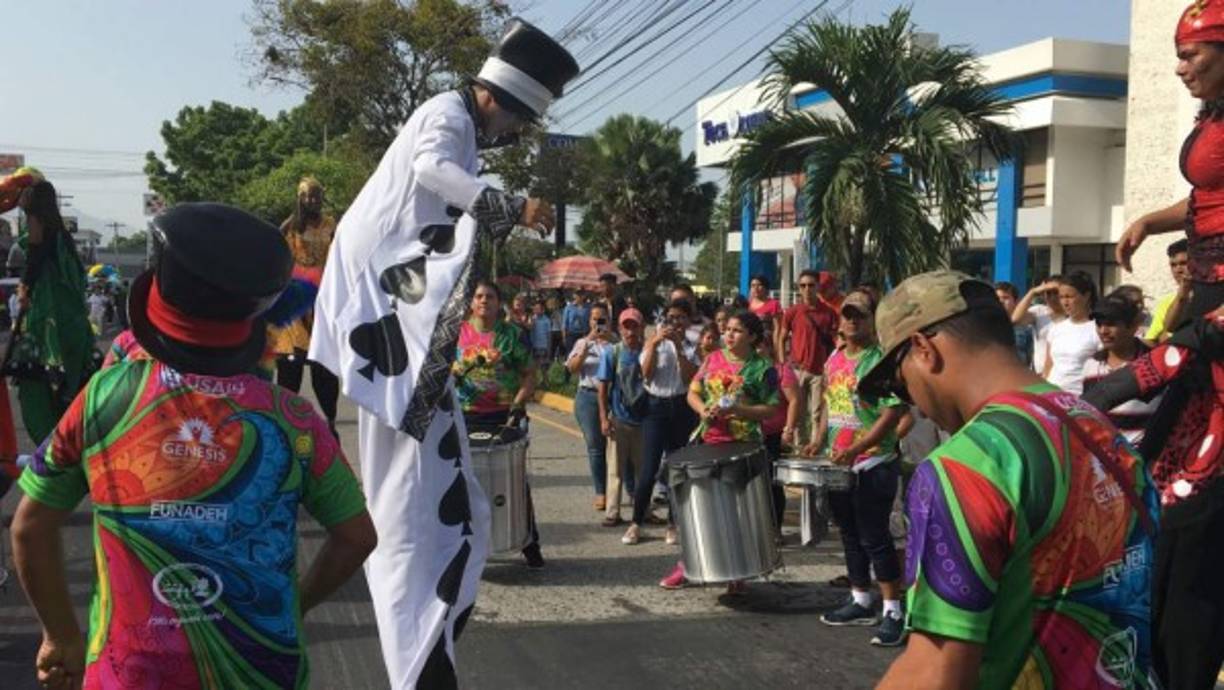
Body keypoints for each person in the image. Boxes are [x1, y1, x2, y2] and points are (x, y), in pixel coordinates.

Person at [307, 19, 577, 688]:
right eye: (516, 120)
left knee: (450, 499)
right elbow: (432, 170)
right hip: (384, 306)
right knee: (409, 498)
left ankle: (429, 633)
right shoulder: (448, 115)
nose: (513, 134)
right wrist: (513, 206)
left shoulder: (455, 118)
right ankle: (417, 644)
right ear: (498, 98)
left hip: (391, 311)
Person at [10, 203, 377, 689]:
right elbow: (357, 537)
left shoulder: (105, 396)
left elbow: (30, 527)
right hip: (263, 669)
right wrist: (292, 605)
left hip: (129, 673)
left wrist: (60, 637)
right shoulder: (294, 420)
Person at [864, 271, 1157, 690]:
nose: (912, 401)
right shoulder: (1099, 429)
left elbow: (937, 672)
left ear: (922, 349)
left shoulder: (967, 466)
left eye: (899, 383)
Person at [806, 290, 910, 648]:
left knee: (874, 536)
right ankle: (861, 598)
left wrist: (858, 448)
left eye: (860, 315)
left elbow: (891, 413)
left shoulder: (880, 360)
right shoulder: (834, 359)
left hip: (874, 462)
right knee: (849, 534)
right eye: (847, 314)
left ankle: (894, 609)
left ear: (872, 321)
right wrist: (819, 439)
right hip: (840, 463)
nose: (852, 320)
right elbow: (829, 405)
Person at [1118, 4, 1224, 324]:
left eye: (1190, 55)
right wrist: (1149, 222)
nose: (1180, 68)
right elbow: (1209, 198)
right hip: (1207, 281)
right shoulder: (1212, 117)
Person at [660, 310, 779, 593]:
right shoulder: (712, 360)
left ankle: (736, 570)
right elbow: (693, 392)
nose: (728, 335)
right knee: (695, 508)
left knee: (736, 513)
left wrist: (738, 410)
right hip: (708, 442)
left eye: (737, 331)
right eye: (727, 330)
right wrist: (703, 411)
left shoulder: (763, 368)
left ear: (751, 336)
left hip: (742, 447)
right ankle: (687, 565)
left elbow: (772, 408)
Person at [0, 170, 95, 445]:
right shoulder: (64, 238)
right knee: (70, 379)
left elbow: (35, 254)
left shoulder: (38, 228)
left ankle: (53, 446)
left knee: (35, 377)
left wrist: (25, 287)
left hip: (49, 320)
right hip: (72, 322)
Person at [455, 281, 544, 568]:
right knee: (462, 484)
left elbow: (530, 373)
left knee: (516, 482)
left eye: (490, 297)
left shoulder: (511, 335)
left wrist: (518, 404)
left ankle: (530, 543)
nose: (484, 301)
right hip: (465, 416)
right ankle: (462, 548)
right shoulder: (457, 334)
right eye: (479, 296)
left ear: (498, 303)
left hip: (503, 416)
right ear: (471, 303)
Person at [266, 176, 341, 436]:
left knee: (324, 366)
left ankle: (330, 421)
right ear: (300, 198)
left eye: (316, 195)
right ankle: (286, 424)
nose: (313, 200)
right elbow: (276, 251)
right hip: (296, 300)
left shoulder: (331, 224)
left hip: (323, 299)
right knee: (290, 365)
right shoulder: (290, 226)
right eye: (308, 196)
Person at [622, 299, 699, 546]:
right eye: (670, 318)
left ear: (688, 321)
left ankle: (673, 523)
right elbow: (646, 374)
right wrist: (654, 344)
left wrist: (678, 348)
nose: (675, 323)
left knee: (678, 468)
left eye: (680, 318)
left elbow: (689, 378)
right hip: (655, 407)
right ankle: (636, 522)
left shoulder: (693, 346)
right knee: (648, 469)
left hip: (681, 407)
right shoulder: (652, 342)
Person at [1082, 295, 1160, 446]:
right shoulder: (1091, 364)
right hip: (1104, 457)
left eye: (1111, 324)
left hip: (1144, 458)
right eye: (1099, 324)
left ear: (1132, 326)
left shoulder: (1154, 363)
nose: (1103, 331)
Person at [777, 269, 839, 452]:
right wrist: (782, 365)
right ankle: (798, 449)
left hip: (820, 370)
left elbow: (836, 341)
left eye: (811, 285)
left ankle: (815, 449)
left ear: (818, 287)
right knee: (798, 413)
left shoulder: (829, 313)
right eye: (803, 286)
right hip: (796, 369)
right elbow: (781, 337)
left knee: (817, 413)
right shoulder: (793, 311)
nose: (807, 289)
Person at [597, 308, 648, 527]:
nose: (630, 331)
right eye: (626, 326)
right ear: (619, 328)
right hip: (619, 418)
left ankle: (643, 511)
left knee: (643, 471)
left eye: (634, 325)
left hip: (644, 421)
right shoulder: (613, 352)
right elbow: (602, 387)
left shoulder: (648, 351)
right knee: (615, 470)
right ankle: (613, 512)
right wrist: (603, 418)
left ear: (642, 327)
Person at [567, 303, 616, 512]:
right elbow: (572, 369)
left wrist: (611, 340)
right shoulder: (582, 342)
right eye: (595, 319)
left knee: (618, 448)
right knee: (596, 447)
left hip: (614, 398)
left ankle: (625, 490)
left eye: (602, 318)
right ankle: (601, 492)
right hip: (588, 397)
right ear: (589, 321)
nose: (598, 322)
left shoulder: (616, 343)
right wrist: (587, 347)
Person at [758, 335, 801, 530]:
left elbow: (794, 400)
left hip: (773, 434)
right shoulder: (746, 369)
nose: (757, 351)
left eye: (761, 346)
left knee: (772, 483)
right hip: (748, 434)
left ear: (769, 347)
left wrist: (788, 430)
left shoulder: (781, 370)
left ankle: (775, 530)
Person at [1041, 271, 1101, 395]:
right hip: (1053, 396)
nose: (1065, 302)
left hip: (1081, 399)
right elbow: (1048, 366)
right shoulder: (1056, 329)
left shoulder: (1098, 329)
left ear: (1086, 296)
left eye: (1069, 297)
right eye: (1061, 297)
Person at [1009, 276, 1066, 375]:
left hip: (1063, 373)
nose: (1052, 297)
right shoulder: (1039, 311)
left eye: (1056, 292)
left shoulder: (1073, 316)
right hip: (1039, 374)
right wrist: (1033, 292)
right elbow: (1015, 319)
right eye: (1048, 293)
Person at [1147, 238, 1193, 342]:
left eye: (1183, 263)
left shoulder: (1215, 295)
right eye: (1173, 265)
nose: (1178, 270)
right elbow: (1154, 340)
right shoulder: (1166, 303)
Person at [994, 281, 1034, 366]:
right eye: (997, 298)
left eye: (1005, 298)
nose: (1001, 301)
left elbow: (1031, 358)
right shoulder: (984, 326)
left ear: (1016, 301)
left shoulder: (1027, 329)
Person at [747, 273, 782, 338]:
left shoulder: (774, 304)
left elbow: (777, 328)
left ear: (766, 287)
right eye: (753, 285)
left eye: (759, 285)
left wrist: (777, 346)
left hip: (767, 345)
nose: (756, 288)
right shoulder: (746, 304)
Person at [562, 291, 591, 357]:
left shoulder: (588, 307)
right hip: (571, 334)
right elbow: (564, 323)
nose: (579, 297)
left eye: (581, 294)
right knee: (570, 353)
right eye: (577, 294)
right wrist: (564, 336)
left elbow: (591, 320)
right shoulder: (569, 307)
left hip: (583, 333)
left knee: (582, 353)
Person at [530, 299, 552, 364]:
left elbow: (549, 335)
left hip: (543, 346)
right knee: (535, 365)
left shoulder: (546, 320)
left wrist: (549, 348)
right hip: (534, 346)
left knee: (543, 365)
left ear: (543, 310)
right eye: (535, 308)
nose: (536, 310)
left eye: (538, 308)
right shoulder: (531, 319)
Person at [547, 294, 564, 361]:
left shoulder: (560, 311)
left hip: (558, 331)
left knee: (558, 348)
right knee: (553, 348)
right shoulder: (552, 312)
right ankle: (553, 361)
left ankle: (558, 360)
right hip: (554, 331)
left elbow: (561, 322)